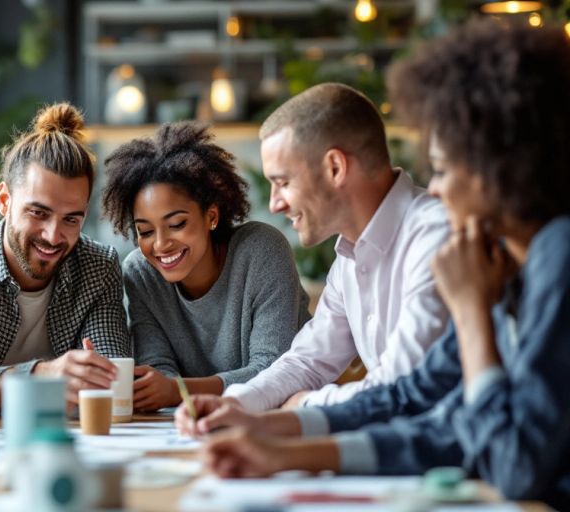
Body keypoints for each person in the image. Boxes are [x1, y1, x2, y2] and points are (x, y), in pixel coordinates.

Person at [195, 20, 570, 509]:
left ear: (496, 167)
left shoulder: (550, 255)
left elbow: (513, 463)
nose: (434, 188)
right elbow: (436, 416)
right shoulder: (506, 263)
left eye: (443, 168)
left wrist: (473, 311)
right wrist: (276, 439)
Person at [176, 83, 450, 415]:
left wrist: (307, 403)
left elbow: (403, 389)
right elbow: (307, 362)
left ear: (335, 167)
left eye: (283, 182)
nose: (275, 204)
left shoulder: (435, 236)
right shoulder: (349, 258)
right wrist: (232, 404)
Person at [0, 103, 131, 415]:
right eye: (39, 213)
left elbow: (108, 377)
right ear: (5, 200)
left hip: (57, 437)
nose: (53, 235)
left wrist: (99, 377)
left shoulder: (97, 266)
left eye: (71, 219)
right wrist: (39, 378)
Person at [100, 121, 310, 411]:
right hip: (191, 424)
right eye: (145, 231)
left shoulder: (261, 250)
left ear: (211, 216)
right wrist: (168, 390)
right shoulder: (141, 272)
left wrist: (179, 390)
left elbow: (274, 370)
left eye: (177, 224)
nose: (160, 244)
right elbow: (158, 371)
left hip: (284, 415)